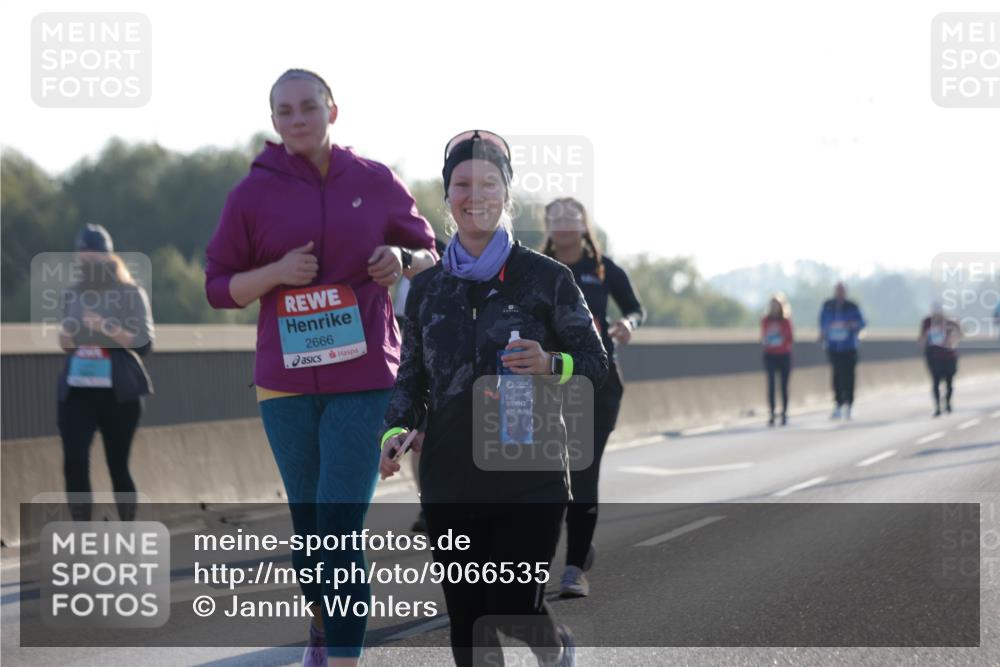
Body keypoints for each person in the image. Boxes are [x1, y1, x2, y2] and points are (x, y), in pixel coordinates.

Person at [204, 69, 437, 667]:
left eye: (309, 106)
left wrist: (400, 258)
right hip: (283, 383)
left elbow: (429, 251)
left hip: (363, 379)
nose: (297, 118)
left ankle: (342, 658)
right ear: (275, 121)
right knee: (310, 537)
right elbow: (219, 287)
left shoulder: (375, 180)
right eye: (284, 111)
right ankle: (322, 624)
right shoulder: (250, 195)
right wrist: (276, 273)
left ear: (333, 109)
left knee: (337, 527)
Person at [379, 130, 608, 667]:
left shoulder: (546, 279)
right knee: (467, 616)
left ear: (506, 193)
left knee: (508, 605)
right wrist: (394, 434)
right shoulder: (428, 288)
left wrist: (552, 364)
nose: (474, 194)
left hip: (530, 469)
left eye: (488, 183)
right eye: (462, 183)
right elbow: (410, 379)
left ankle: (554, 648)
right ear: (448, 194)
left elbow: (595, 365)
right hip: (449, 476)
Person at [540, 197, 643, 598]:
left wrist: (628, 323)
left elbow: (635, 308)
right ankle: (579, 546)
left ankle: (573, 569)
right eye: (556, 218)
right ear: (546, 225)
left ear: (584, 226)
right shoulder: (536, 270)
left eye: (572, 218)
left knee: (582, 471)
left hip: (599, 383)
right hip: (549, 383)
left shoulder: (602, 269)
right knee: (547, 477)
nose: (564, 224)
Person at [57, 223, 154, 522]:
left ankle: (128, 531)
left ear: (108, 257)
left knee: (117, 466)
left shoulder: (130, 292)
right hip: (78, 389)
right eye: (82, 255)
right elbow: (65, 342)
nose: (86, 261)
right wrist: (69, 336)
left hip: (118, 392)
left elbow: (144, 343)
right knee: (73, 461)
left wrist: (104, 327)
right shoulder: (71, 294)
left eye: (92, 255)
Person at [818, 282, 866, 420]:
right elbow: (822, 322)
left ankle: (849, 405)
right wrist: (826, 330)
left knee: (849, 376)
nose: (839, 293)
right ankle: (838, 404)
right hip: (833, 347)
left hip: (849, 347)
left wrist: (850, 325)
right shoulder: (828, 305)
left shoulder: (852, 306)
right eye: (837, 290)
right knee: (836, 376)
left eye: (842, 291)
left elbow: (862, 322)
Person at [918, 301, 961, 417]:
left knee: (949, 382)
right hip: (935, 357)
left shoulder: (950, 322)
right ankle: (937, 407)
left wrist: (952, 338)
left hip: (949, 357)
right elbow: (921, 339)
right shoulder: (927, 322)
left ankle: (947, 402)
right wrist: (925, 339)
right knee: (935, 382)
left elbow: (960, 333)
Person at [761, 293, 793, 427]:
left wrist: (779, 336)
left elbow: (790, 337)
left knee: (783, 385)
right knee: (771, 385)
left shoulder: (786, 321)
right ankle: (772, 413)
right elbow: (763, 337)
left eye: (777, 305)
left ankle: (784, 413)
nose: (774, 308)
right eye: (772, 305)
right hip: (770, 355)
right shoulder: (765, 321)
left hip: (784, 355)